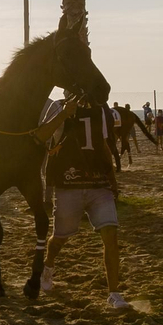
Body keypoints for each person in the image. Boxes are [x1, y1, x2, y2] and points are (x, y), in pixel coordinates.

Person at [36, 95, 129, 309]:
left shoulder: (100, 111)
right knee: (59, 238)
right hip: (69, 186)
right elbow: (43, 138)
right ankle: (48, 267)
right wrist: (48, 191)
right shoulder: (57, 108)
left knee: (111, 235)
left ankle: (114, 293)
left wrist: (112, 180)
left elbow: (104, 146)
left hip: (99, 185)